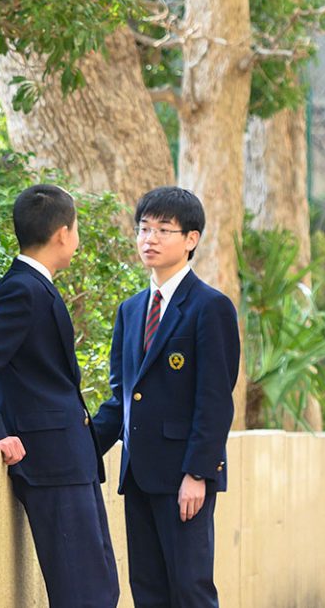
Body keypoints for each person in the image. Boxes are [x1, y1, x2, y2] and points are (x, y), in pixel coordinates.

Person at [0, 184, 119, 607]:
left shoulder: (35, 285)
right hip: (50, 464)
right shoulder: (22, 290)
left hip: (69, 459)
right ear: (63, 233)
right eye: (77, 228)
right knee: (84, 594)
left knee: (98, 589)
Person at [92, 186, 238, 608]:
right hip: (137, 475)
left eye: (163, 230)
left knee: (190, 590)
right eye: (143, 229)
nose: (149, 239)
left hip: (183, 479)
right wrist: (81, 449)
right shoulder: (131, 309)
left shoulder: (210, 307)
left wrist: (198, 473)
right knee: (148, 591)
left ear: (191, 239)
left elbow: (214, 401)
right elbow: (122, 397)